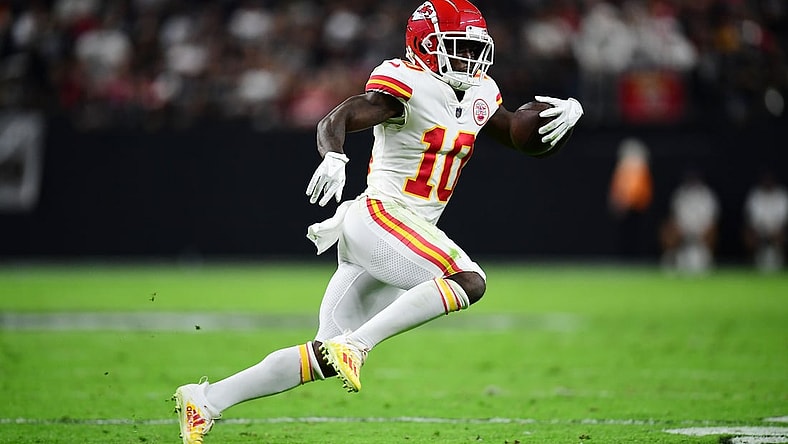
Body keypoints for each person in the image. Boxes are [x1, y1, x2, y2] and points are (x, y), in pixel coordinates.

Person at [172, 1, 583, 443]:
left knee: (324, 354)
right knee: (468, 280)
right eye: (459, 46)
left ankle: (205, 400)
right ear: (426, 45)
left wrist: (565, 116)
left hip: (396, 233)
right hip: (382, 216)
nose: (470, 58)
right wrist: (333, 154)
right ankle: (359, 346)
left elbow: (517, 133)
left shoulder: (480, 90)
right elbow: (340, 116)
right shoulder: (407, 81)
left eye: (474, 47)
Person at [659, 170, 719, 274]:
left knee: (699, 267)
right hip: (681, 242)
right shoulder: (679, 195)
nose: (692, 183)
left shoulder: (707, 196)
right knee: (669, 266)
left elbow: (711, 225)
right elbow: (672, 221)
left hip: (699, 244)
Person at [608, 137, 653, 258]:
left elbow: (640, 191)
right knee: (625, 236)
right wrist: (617, 202)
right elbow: (617, 188)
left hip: (636, 208)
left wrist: (626, 202)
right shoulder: (623, 169)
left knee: (635, 236)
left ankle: (634, 258)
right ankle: (626, 258)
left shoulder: (639, 169)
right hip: (627, 208)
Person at [742, 171, 788, 272]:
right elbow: (751, 221)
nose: (768, 181)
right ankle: (751, 263)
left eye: (770, 178)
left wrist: (776, 236)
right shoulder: (755, 195)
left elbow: (784, 223)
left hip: (777, 236)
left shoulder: (782, 195)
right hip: (760, 236)